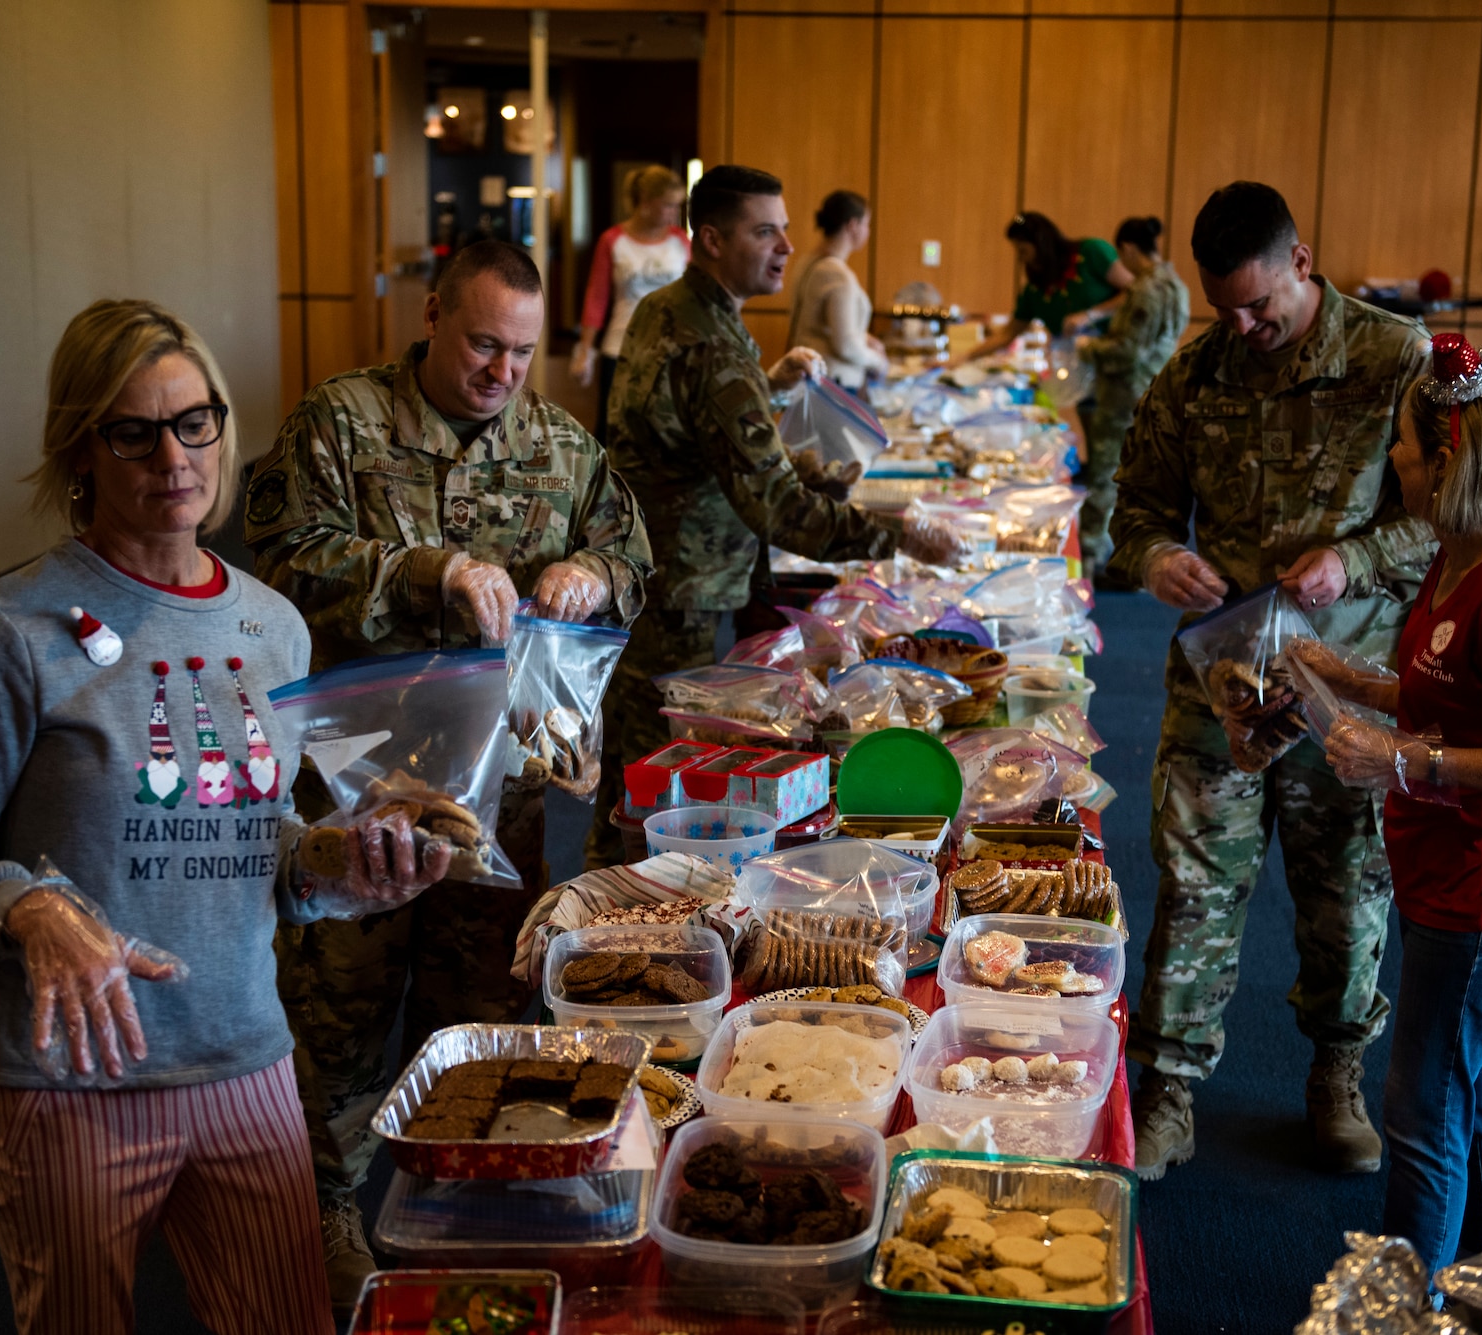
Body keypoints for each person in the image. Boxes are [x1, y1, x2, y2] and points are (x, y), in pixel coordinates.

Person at [0, 299, 451, 1335]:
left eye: (195, 420)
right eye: (132, 430)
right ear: (80, 449)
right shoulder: (11, 628)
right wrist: (31, 910)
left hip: (244, 1054)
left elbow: (265, 839)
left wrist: (339, 869)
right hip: (73, 1077)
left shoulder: (269, 625)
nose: (174, 455)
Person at [243, 238, 652, 1307]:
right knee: (338, 1008)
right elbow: (278, 559)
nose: (501, 372)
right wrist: (428, 573)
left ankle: (456, 1201)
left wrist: (589, 573)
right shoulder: (342, 421)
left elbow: (632, 561)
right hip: (353, 779)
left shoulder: (561, 448)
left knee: (475, 1008)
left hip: (497, 793)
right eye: (481, 344)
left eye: (521, 352)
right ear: (430, 316)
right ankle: (326, 1207)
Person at [1107, 181, 1437, 1181]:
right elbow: (1133, 514)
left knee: (1345, 892)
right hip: (1226, 684)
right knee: (1195, 888)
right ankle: (1164, 1090)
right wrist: (1157, 558)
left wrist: (1359, 558)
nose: (1244, 328)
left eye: (1261, 306)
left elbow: (1452, 519)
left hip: (1350, 684)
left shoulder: (1393, 360)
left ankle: (1335, 1077)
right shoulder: (1198, 370)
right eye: (1226, 311)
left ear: (1301, 263)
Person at [582, 164, 969, 867]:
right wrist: (900, 533)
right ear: (710, 239)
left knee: (630, 779)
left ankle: (611, 908)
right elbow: (779, 507)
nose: (786, 245)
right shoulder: (712, 341)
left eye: (786, 228)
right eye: (765, 231)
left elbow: (690, 433)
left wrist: (767, 387)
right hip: (678, 588)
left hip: (649, 574)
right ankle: (624, 935)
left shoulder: (671, 308)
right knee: (654, 793)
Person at [1316, 334, 1482, 1274]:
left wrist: (1408, 759)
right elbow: (1440, 691)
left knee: (1423, 1105)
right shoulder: (1456, 557)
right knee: (1479, 1073)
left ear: (1450, 466)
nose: (1394, 459)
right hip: (1449, 873)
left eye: (1407, 450)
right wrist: (1344, 676)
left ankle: (1403, 1299)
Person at [1075, 215, 1190, 569]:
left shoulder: (1144, 290)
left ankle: (1093, 559)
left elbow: (1128, 351)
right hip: (1154, 391)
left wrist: (1087, 348)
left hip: (1124, 396)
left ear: (1126, 249)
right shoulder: (1176, 285)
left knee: (1104, 477)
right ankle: (1124, 555)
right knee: (1137, 480)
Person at [571, 165, 689, 440]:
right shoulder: (613, 241)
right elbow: (596, 296)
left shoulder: (680, 242)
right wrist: (585, 351)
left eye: (677, 206)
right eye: (668, 206)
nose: (674, 213)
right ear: (646, 203)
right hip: (621, 346)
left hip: (670, 348)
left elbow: (693, 295)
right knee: (612, 427)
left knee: (664, 430)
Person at [788, 190, 889, 389]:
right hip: (832, 380)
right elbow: (845, 345)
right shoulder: (837, 275)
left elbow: (819, 323)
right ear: (853, 225)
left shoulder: (806, 263)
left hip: (809, 374)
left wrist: (866, 338)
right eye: (866, 224)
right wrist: (879, 361)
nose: (868, 231)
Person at [1006, 211, 1132, 339]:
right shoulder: (1035, 289)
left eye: (1023, 251)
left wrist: (1091, 315)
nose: (1021, 259)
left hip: (1117, 348)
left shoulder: (1091, 253)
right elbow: (1008, 334)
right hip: (1074, 355)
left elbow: (1136, 291)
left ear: (1041, 244)